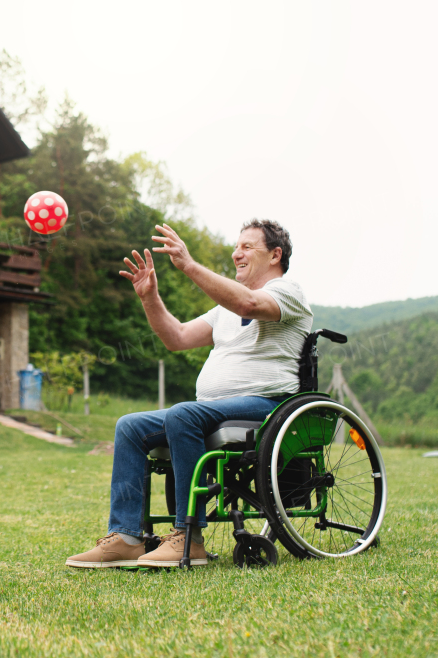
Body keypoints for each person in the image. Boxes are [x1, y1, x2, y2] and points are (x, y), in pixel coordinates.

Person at [67, 219, 312, 569]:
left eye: (247, 247)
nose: (236, 253)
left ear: (275, 255)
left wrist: (188, 265)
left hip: (268, 407)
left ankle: (189, 536)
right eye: (236, 245)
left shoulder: (288, 292)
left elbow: (249, 305)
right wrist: (150, 297)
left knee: (184, 414)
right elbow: (177, 337)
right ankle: (125, 537)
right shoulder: (223, 310)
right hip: (215, 409)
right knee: (130, 426)